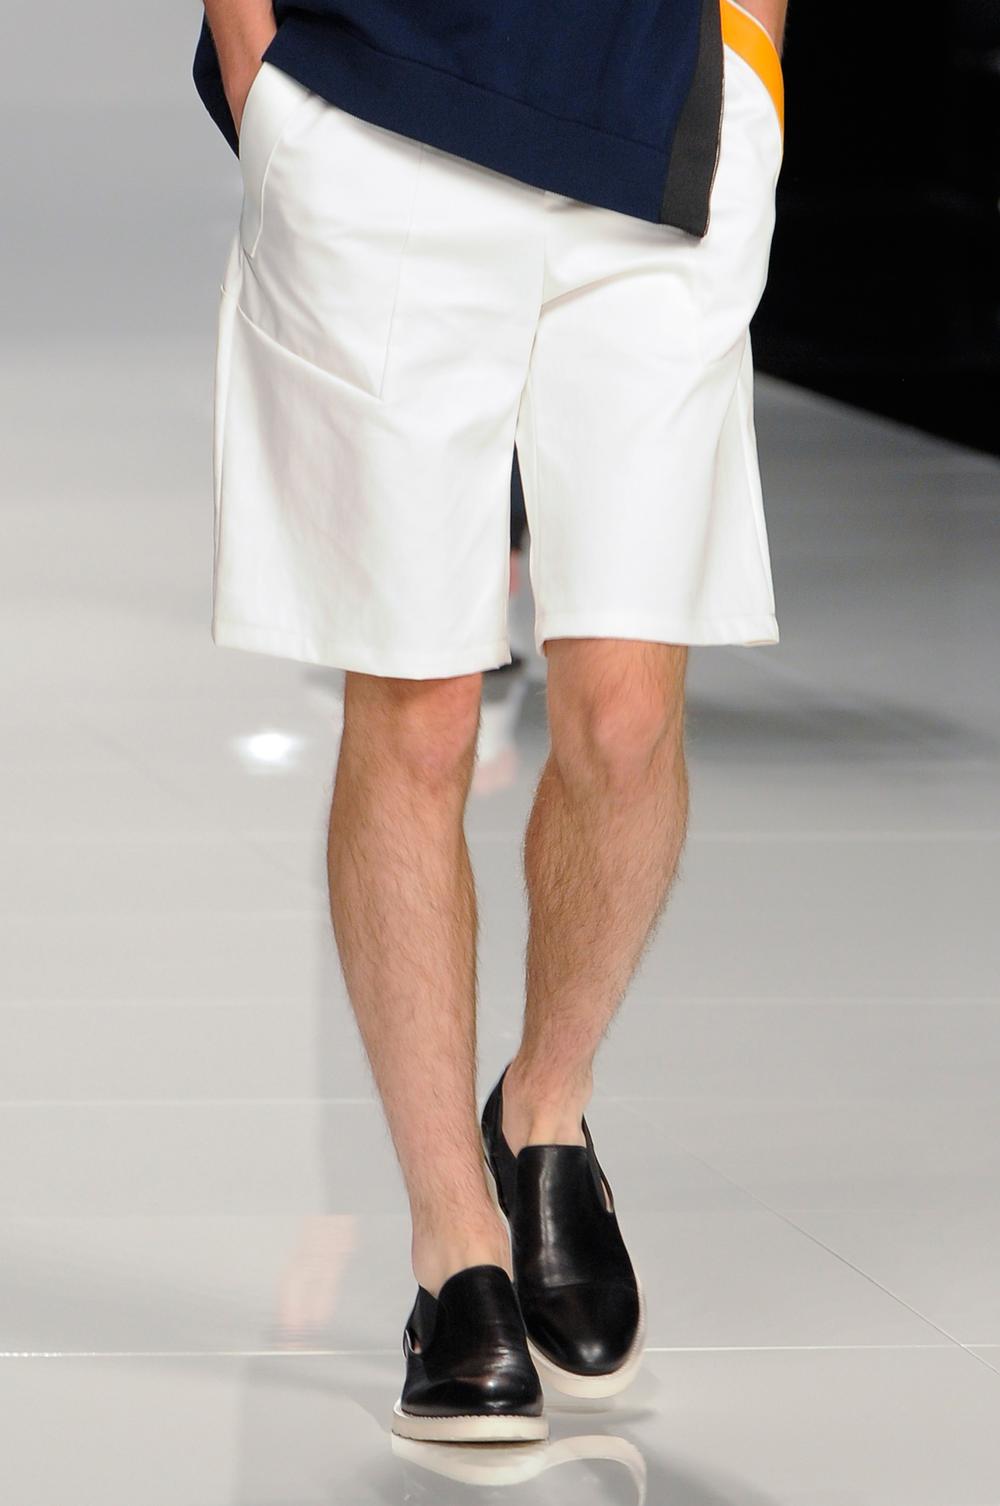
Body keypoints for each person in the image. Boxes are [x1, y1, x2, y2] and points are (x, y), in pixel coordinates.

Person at [192, 0, 787, 1444]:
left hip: (660, 103)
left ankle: (543, 1109)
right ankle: (452, 1242)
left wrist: (754, 59)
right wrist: (260, 72)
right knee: (418, 706)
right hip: (374, 99)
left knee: (627, 711)